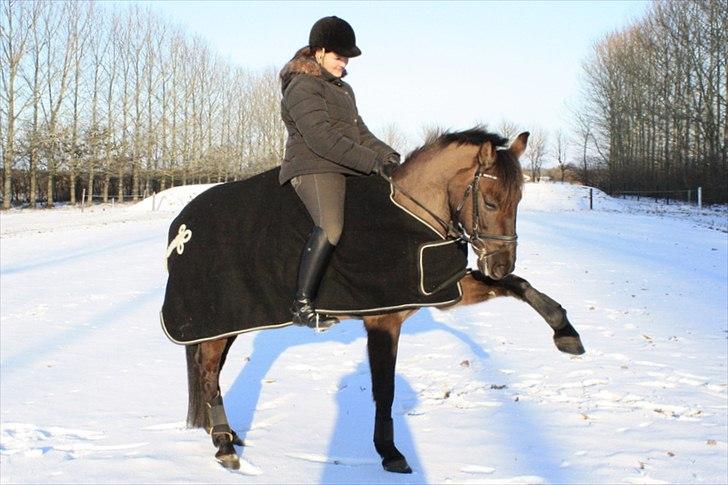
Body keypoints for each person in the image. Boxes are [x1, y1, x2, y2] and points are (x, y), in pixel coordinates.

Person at [279, 16, 400, 329]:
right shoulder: (302, 86)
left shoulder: (344, 89)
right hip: (314, 165)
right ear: (318, 52)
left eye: (346, 58)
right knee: (331, 226)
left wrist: (389, 157)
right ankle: (302, 304)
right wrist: (371, 163)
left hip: (344, 162)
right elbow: (321, 138)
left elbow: (360, 133)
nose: (344, 63)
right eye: (338, 57)